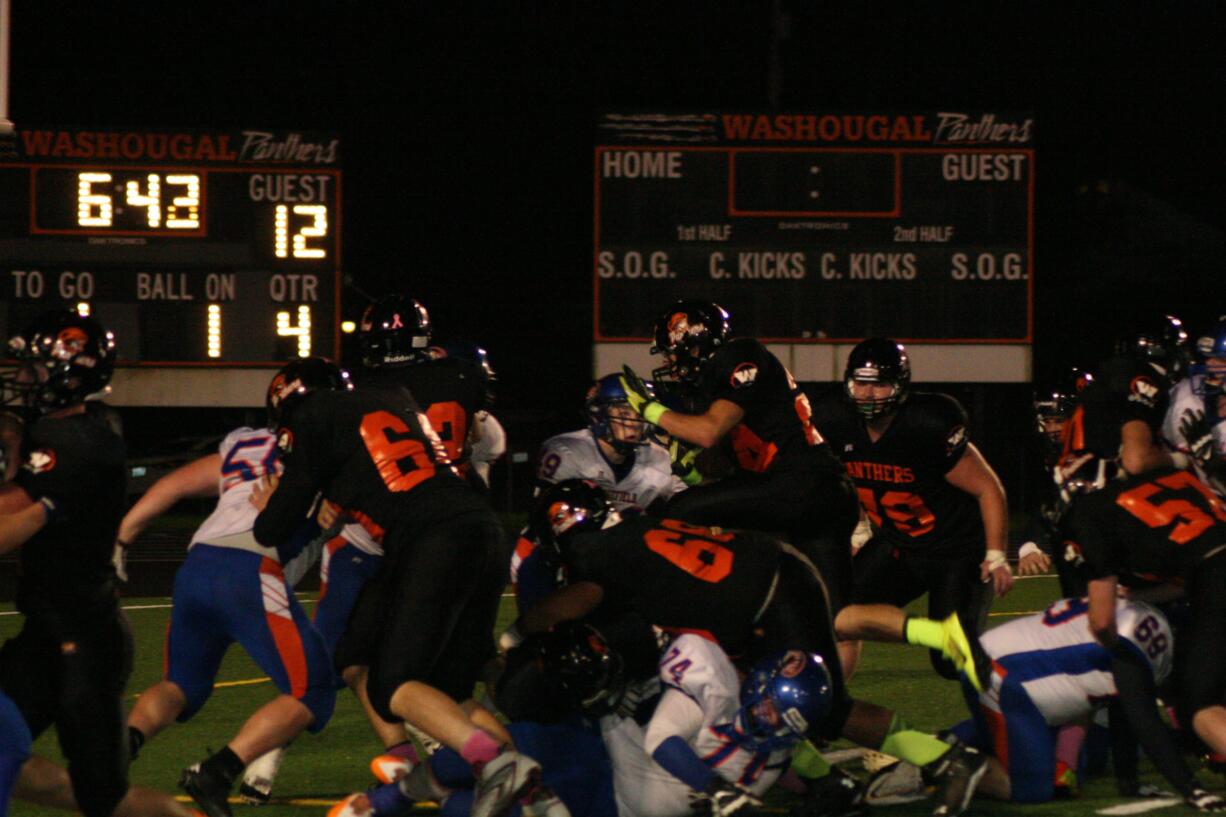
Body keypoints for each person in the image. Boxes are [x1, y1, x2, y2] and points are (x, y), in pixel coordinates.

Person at [513, 480, 994, 817]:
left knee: (826, 708)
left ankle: (946, 759)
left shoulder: (592, 553)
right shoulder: (632, 534)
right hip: (759, 591)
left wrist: (519, 634)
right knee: (752, 696)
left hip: (773, 595)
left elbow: (567, 606)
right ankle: (827, 783)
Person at [251, 355, 545, 817]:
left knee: (393, 684)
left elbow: (273, 527)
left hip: (430, 541)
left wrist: (274, 502)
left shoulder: (315, 415)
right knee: (445, 687)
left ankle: (498, 763)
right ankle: (537, 798)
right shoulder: (394, 398)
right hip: (481, 529)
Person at [114, 373, 338, 817]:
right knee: (312, 691)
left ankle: (121, 746)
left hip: (197, 566)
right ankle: (216, 773)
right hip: (250, 568)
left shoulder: (248, 442)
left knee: (182, 685)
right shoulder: (333, 448)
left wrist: (123, 535)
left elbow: (174, 484)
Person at [619, 299, 859, 611]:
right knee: (836, 616)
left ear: (693, 339)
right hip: (823, 491)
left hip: (799, 483)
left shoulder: (737, 354)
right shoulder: (720, 382)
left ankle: (683, 609)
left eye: (671, 350)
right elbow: (723, 469)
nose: (670, 359)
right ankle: (935, 634)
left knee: (679, 511)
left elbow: (708, 432)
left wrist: (650, 410)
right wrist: (691, 469)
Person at [809, 338, 1012, 681]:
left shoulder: (926, 424)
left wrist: (995, 555)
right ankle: (832, 704)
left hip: (955, 552)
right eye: (861, 383)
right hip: (900, 544)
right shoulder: (835, 421)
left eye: (880, 385)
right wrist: (859, 525)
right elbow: (843, 481)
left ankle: (1018, 667)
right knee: (837, 617)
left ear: (900, 386)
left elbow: (988, 488)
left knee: (951, 663)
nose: (868, 394)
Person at [0, 309, 131, 817]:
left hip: (85, 641)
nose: (23, 380)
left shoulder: (76, 444)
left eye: (33, 369)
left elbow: (9, 525)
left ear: (67, 371)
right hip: (46, 633)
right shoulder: (75, 430)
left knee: (102, 798)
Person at [512, 374, 686, 616]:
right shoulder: (567, 451)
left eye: (638, 413)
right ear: (599, 414)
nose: (634, 422)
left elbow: (686, 511)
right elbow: (550, 524)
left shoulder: (660, 459)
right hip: (555, 557)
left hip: (614, 562)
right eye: (624, 413)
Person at [1162, 317, 1226, 497]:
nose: (1209, 364)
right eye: (1209, 357)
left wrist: (1213, 463)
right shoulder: (1187, 392)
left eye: (1220, 359)